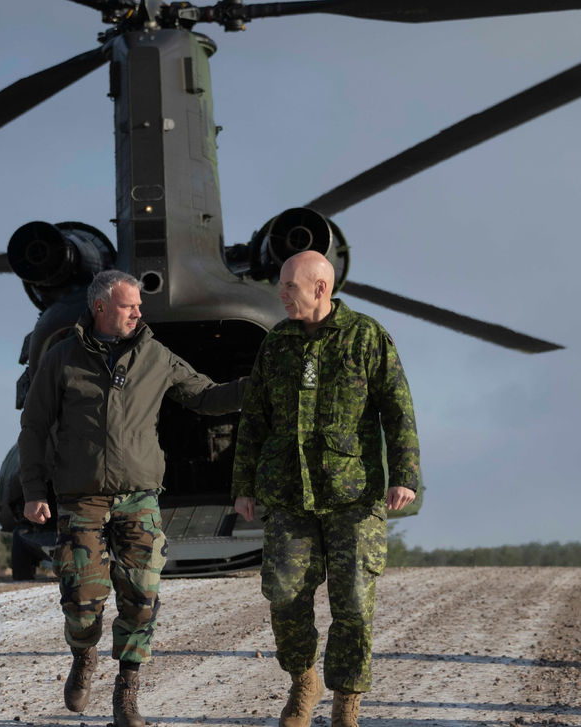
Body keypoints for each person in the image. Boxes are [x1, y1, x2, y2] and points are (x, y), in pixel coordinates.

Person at [18, 269, 247, 727]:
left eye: (139, 305)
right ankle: (83, 654)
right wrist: (32, 490)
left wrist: (258, 385)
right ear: (101, 307)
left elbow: (206, 396)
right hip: (81, 498)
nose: (138, 312)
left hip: (139, 497)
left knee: (142, 596)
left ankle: (127, 690)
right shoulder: (62, 359)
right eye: (129, 306)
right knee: (82, 600)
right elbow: (35, 427)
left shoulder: (155, 356)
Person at [230, 250, 420, 727]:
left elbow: (397, 410)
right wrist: (244, 484)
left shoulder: (367, 337)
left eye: (288, 287)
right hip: (287, 494)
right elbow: (254, 417)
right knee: (284, 595)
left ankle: (346, 701)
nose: (280, 294)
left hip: (352, 495)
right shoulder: (276, 342)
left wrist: (405, 475)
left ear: (320, 288)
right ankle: (302, 683)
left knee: (354, 601)